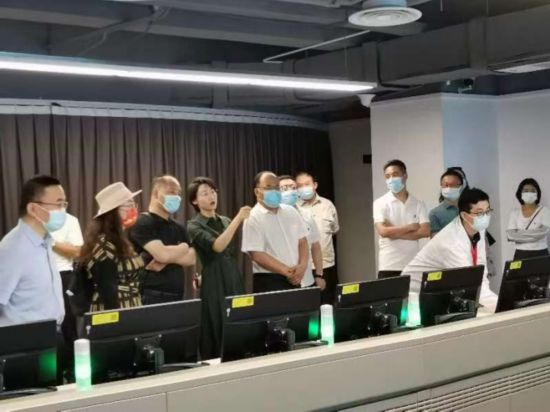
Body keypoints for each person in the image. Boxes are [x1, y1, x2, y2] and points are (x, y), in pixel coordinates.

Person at [402, 188, 499, 318]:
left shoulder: (478, 229)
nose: (485, 217)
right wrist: (501, 306)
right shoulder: (451, 243)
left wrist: (498, 304)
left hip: (438, 291)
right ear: (464, 215)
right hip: (415, 295)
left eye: (488, 211)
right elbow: (468, 281)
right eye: (480, 213)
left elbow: (481, 272)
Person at [187, 177, 249, 359]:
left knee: (238, 318)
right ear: (195, 201)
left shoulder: (224, 220)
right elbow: (218, 246)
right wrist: (238, 219)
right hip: (214, 279)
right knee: (218, 321)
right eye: (205, 193)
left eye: (213, 192)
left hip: (233, 275)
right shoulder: (194, 225)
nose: (211, 196)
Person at [0, 175, 66, 326]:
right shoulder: (12, 249)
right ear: (33, 209)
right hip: (25, 336)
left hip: (51, 332)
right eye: (58, 204)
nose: (63, 211)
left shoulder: (45, 240)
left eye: (64, 204)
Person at [128, 175, 196, 305]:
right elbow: (162, 255)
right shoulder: (143, 222)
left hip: (177, 295)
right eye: (171, 192)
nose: (176, 197)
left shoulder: (179, 227)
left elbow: (192, 258)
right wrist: (183, 248)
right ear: (155, 194)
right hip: (150, 294)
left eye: (178, 194)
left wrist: (166, 258)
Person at [80, 182, 144, 311]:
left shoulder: (120, 240)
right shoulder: (104, 245)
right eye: (129, 205)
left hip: (131, 306)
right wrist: (117, 319)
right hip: (115, 311)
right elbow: (107, 288)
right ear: (113, 211)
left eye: (134, 204)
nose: (133, 209)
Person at [242, 171, 309, 293]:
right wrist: (288, 272)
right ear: (257, 192)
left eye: (277, 187)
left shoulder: (291, 211)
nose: (274, 191)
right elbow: (257, 254)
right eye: (268, 187)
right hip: (269, 280)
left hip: (296, 276)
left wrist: (302, 267)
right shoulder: (253, 217)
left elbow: (303, 241)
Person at [373, 160, 430, 278]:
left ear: (405, 175)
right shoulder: (380, 203)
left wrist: (393, 232)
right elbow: (383, 231)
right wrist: (411, 227)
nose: (391, 179)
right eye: (387, 176)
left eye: (395, 174)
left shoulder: (418, 203)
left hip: (412, 264)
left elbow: (425, 231)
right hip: (389, 264)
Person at [50, 212, 84, 381]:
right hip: (37, 276)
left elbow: (77, 252)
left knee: (68, 326)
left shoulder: (70, 220)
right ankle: (50, 375)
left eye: (63, 203)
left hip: (63, 275)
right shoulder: (30, 223)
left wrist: (50, 241)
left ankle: (72, 372)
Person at [296, 172, 338, 303]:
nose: (304, 188)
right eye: (300, 185)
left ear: (315, 185)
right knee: (306, 304)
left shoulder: (327, 205)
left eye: (307, 184)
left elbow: (334, 230)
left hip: (326, 265)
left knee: (327, 304)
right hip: (302, 267)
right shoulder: (294, 208)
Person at [279, 175, 326, 291]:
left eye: (293, 187)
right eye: (284, 188)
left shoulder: (306, 214)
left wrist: (319, 274)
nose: (290, 191)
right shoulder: (271, 217)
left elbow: (315, 246)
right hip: (281, 281)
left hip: (307, 280)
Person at [507, 178, 550, 259]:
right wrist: (535, 234)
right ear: (520, 193)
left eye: (533, 191)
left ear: (537, 194)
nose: (529, 193)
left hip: (541, 253)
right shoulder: (514, 213)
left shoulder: (545, 211)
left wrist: (519, 233)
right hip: (520, 253)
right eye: (526, 191)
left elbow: (542, 232)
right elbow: (510, 236)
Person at [429, 168, 466, 236]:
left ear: (461, 186)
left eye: (453, 184)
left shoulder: (471, 208)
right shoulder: (434, 213)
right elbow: (435, 239)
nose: (449, 188)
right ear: (441, 186)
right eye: (446, 185)